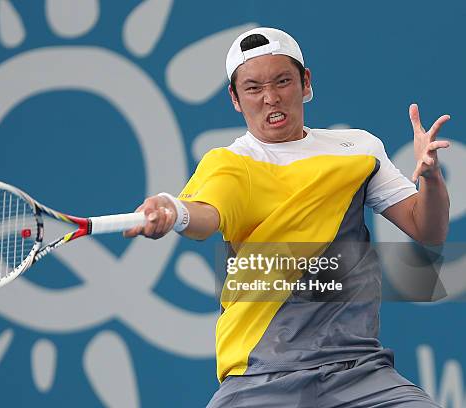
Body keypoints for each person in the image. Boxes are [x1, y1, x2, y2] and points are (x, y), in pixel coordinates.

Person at [124, 27, 450, 407]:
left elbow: (428, 230)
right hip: (260, 376)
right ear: (234, 98)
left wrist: (429, 177)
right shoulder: (230, 165)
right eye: (253, 88)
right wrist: (173, 210)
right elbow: (204, 216)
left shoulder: (358, 150)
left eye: (282, 81)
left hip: (360, 371)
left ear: (305, 82)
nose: (271, 98)